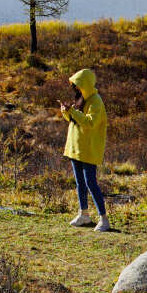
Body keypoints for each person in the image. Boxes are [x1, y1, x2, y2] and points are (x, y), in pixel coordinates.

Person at [57, 68, 111, 232]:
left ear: (85, 85)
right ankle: (84, 214)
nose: (76, 89)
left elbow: (89, 123)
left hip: (88, 149)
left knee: (90, 183)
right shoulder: (81, 99)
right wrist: (66, 112)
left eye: (78, 86)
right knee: (80, 183)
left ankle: (104, 219)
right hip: (76, 148)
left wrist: (72, 111)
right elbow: (74, 120)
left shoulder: (96, 101)